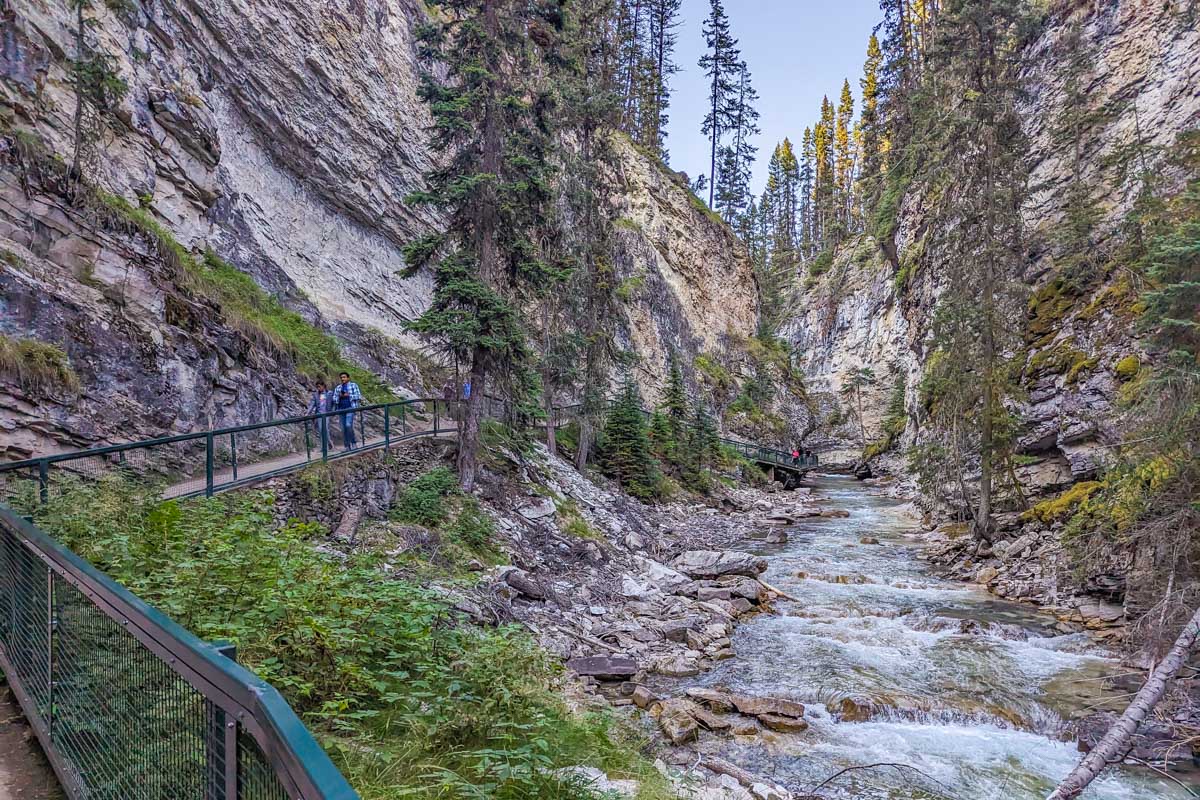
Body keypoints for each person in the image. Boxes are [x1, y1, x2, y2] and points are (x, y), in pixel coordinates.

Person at [335, 372, 363, 450]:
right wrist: (339, 396)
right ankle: (347, 446)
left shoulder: (353, 385)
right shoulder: (338, 388)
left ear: (348, 378)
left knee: (348, 425)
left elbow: (358, 396)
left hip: (350, 407)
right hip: (341, 409)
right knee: (343, 428)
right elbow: (334, 398)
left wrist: (349, 395)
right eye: (341, 377)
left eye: (344, 377)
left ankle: (353, 443)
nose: (342, 379)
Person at [308, 380, 333, 449]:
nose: (318, 388)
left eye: (319, 387)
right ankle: (324, 446)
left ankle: (328, 442)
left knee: (325, 429)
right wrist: (307, 413)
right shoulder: (316, 395)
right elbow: (312, 404)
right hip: (319, 414)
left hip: (327, 413)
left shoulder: (329, 393)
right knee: (320, 429)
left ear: (323, 386)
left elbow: (333, 402)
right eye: (317, 387)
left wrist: (333, 411)